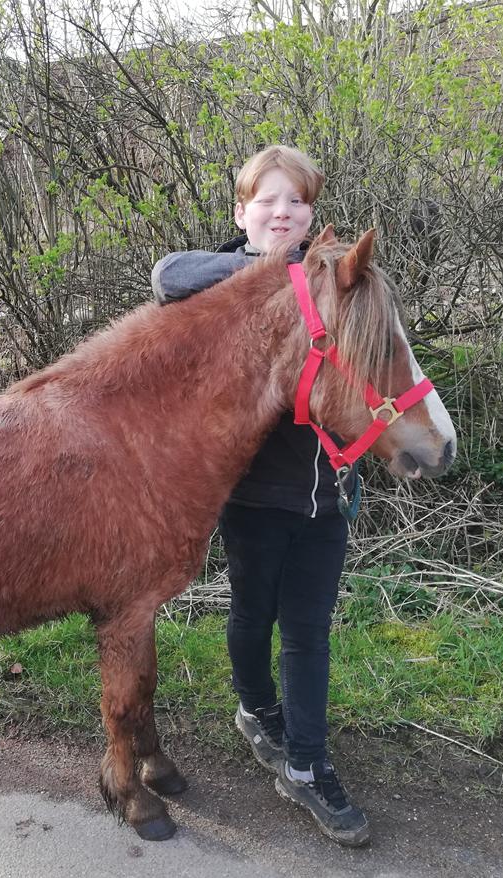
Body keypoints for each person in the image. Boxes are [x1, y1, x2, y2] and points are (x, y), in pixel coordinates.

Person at [151, 145, 370, 847]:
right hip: (253, 497)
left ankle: (307, 764)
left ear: (312, 213)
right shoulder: (219, 284)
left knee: (307, 631)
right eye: (268, 202)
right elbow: (166, 273)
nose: (283, 212)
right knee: (252, 616)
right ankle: (254, 709)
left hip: (327, 495)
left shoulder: (334, 280)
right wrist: (277, 272)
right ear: (241, 211)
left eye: (297, 202)